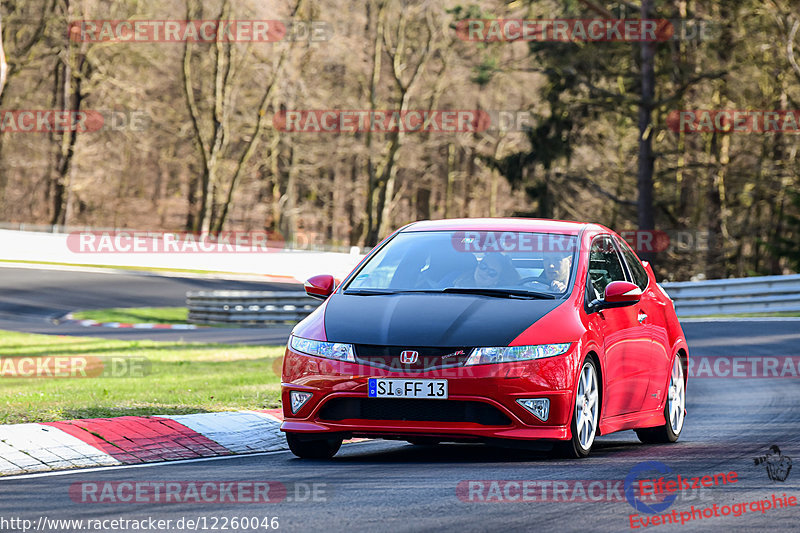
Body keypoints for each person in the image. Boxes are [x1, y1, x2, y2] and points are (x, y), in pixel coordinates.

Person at [454, 252, 520, 287]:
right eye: (483, 266)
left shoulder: (501, 298)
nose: (484, 272)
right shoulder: (452, 281)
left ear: (498, 279)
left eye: (492, 272)